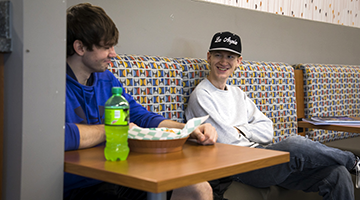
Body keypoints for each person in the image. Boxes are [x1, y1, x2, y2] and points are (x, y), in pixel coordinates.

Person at [64, 3, 217, 200]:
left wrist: (188, 130)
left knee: (198, 188)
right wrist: (115, 130)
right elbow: (58, 136)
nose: (113, 54)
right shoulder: (52, 87)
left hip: (119, 175)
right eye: (106, 47)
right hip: (76, 186)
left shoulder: (106, 80)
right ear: (80, 47)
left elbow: (140, 116)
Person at [185, 31, 360, 200]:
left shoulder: (237, 93)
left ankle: (349, 165)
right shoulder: (202, 95)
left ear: (239, 61)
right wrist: (246, 132)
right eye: (218, 55)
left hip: (260, 155)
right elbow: (226, 141)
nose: (224, 61)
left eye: (230, 56)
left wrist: (240, 130)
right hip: (236, 165)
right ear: (209, 57)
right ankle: (353, 162)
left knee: (338, 174)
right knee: (295, 144)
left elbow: (268, 130)